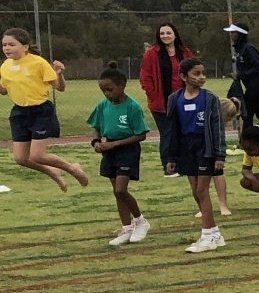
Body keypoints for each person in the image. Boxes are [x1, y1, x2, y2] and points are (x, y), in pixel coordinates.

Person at [2, 28, 88, 191]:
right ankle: (53, 172)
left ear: (25, 47)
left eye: (12, 44)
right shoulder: (5, 66)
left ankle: (72, 169)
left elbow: (59, 87)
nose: (7, 48)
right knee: (20, 158)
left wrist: (59, 74)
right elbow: (4, 90)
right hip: (19, 113)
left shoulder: (38, 63)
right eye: (4, 45)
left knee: (37, 155)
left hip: (40, 111)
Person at [169, 58, 227, 252]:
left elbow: (218, 128)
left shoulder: (210, 98)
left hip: (206, 148)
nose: (201, 77)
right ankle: (214, 232)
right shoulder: (175, 99)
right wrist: (170, 156)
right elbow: (171, 129)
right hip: (186, 148)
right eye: (196, 74)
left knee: (203, 190)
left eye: (203, 73)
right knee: (196, 191)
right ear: (183, 76)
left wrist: (220, 155)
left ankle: (206, 236)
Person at [88, 66, 151, 245]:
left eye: (110, 89)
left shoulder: (132, 107)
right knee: (117, 193)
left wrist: (115, 143)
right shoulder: (102, 106)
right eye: (103, 90)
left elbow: (141, 134)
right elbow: (96, 126)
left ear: (122, 85)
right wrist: (96, 142)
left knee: (121, 190)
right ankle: (126, 229)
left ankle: (140, 221)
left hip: (127, 150)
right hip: (110, 152)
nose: (107, 94)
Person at [138, 22, 195, 176]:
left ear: (175, 34)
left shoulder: (184, 52)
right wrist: (152, 93)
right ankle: (169, 167)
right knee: (168, 134)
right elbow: (145, 77)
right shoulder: (151, 54)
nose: (165, 36)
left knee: (184, 132)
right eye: (162, 33)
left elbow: (194, 71)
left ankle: (184, 164)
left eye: (168, 33)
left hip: (184, 101)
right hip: (161, 103)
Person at [223, 23, 259, 134]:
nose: (231, 35)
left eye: (233, 32)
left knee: (247, 114)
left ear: (240, 34)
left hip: (257, 86)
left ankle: (246, 140)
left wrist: (241, 75)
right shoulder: (240, 49)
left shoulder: (248, 48)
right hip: (251, 86)